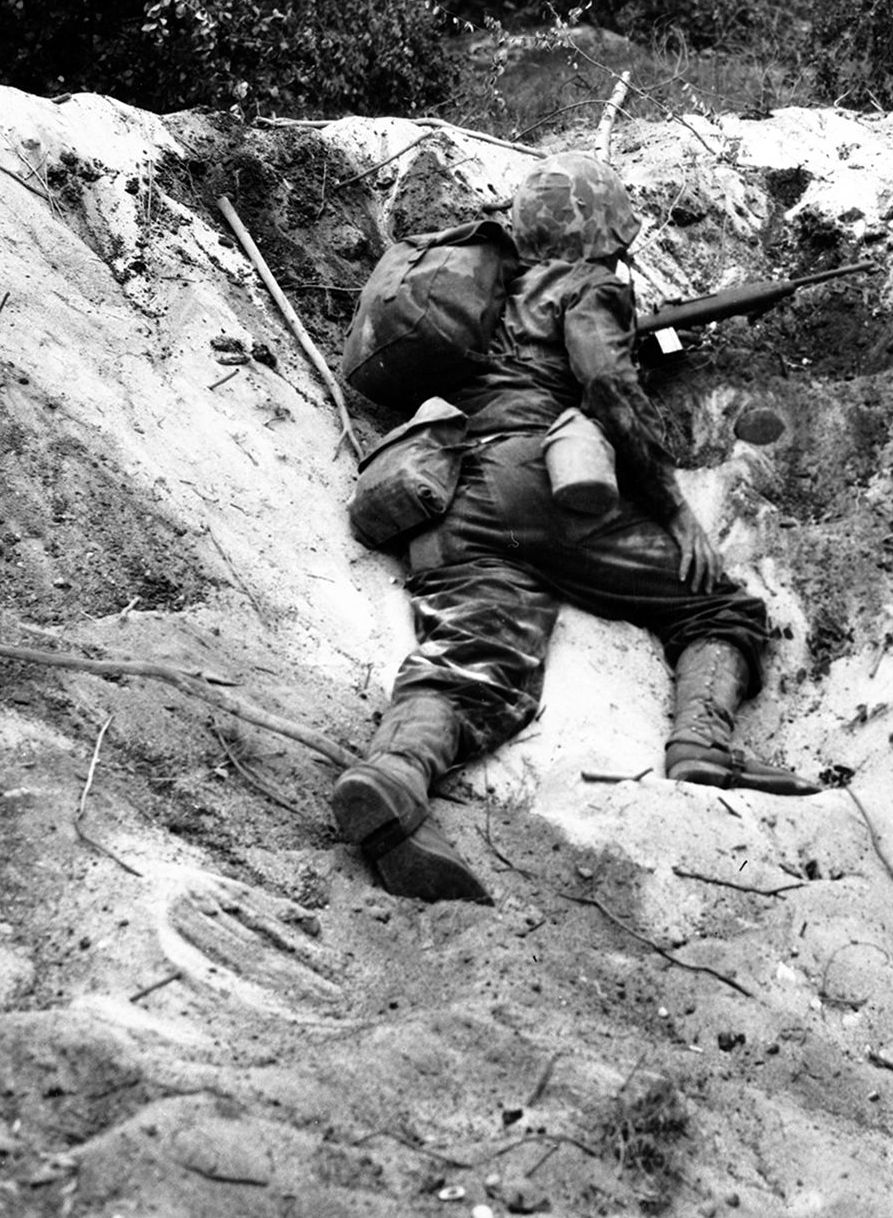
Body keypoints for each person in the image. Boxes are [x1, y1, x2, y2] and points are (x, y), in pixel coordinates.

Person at [332, 152, 817, 904]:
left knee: (477, 659)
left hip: (450, 485)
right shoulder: (591, 287)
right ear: (598, 234)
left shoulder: (477, 298)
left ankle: (395, 773)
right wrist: (673, 507)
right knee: (715, 602)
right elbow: (607, 385)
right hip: (539, 481)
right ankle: (702, 746)